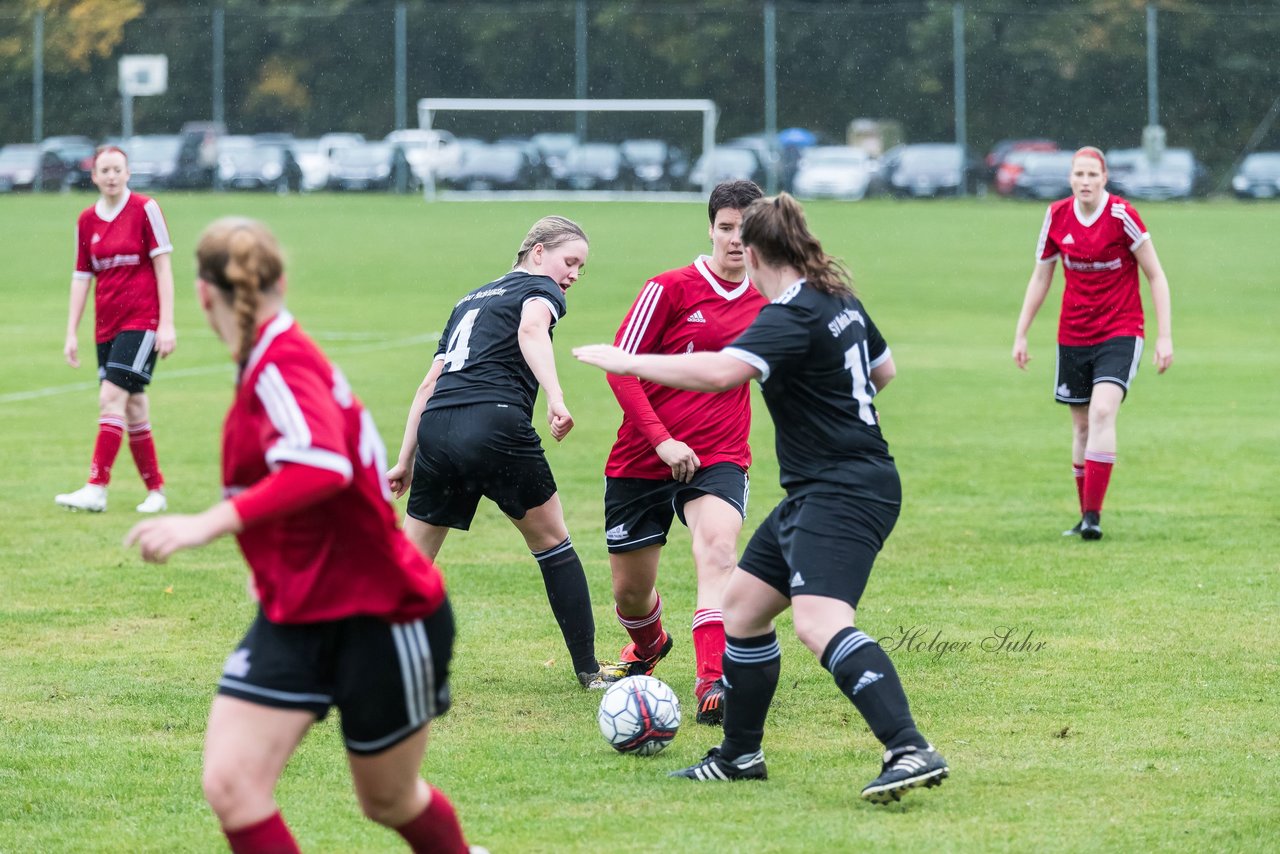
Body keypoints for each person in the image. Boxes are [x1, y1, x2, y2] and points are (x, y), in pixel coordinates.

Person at [575, 194, 948, 803]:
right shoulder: (839, 301)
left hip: (843, 489)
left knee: (819, 622)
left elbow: (721, 373)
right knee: (744, 609)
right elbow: (883, 372)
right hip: (826, 484)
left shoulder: (789, 312)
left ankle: (909, 748)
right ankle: (738, 755)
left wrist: (626, 359)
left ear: (752, 251)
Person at [125, 218, 477, 853]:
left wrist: (206, 523)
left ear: (202, 296)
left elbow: (320, 464)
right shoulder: (268, 361)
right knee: (232, 784)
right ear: (281, 280)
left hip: (380, 613)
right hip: (297, 610)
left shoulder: (280, 364)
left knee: (389, 799)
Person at [386, 216, 614, 690]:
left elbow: (429, 384)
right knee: (553, 543)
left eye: (580, 269)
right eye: (569, 261)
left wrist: (406, 458)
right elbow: (532, 330)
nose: (572, 274)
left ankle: (366, 664)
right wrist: (555, 397)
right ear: (537, 253)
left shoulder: (470, 298)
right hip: (494, 424)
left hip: (439, 428)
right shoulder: (542, 289)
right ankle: (590, 670)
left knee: (411, 561)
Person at [600, 180, 765, 726]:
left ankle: (712, 679)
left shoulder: (772, 300)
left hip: (720, 455)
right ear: (710, 229)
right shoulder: (669, 288)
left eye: (745, 230)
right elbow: (620, 368)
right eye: (725, 229)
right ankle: (649, 642)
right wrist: (662, 439)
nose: (735, 241)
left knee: (717, 551)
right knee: (630, 593)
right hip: (643, 457)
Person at [1012, 146, 1173, 540]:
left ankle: (1093, 518)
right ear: (1070, 177)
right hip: (1073, 334)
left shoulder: (1122, 216)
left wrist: (1164, 336)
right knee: (1081, 426)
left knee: (1103, 411)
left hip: (1121, 329)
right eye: (1078, 175)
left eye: (1092, 175)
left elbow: (1156, 275)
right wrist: (1021, 332)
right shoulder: (1056, 216)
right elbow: (1041, 278)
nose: (1085, 182)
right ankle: (1084, 513)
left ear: (1104, 178)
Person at [57, 145, 175, 514]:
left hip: (142, 322)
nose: (110, 176)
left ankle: (96, 487)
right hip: (105, 326)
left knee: (110, 397)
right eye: (103, 170)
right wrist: (71, 331)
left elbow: (163, 269)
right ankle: (156, 491)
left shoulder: (145, 209)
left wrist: (167, 324)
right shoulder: (86, 221)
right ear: (93, 176)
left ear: (128, 173)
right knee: (135, 406)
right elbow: (81, 277)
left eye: (117, 170)